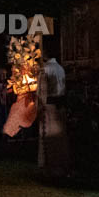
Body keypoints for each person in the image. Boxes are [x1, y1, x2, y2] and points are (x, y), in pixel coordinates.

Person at [38, 47, 71, 177]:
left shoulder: (45, 69)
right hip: (60, 103)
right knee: (61, 134)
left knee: (49, 134)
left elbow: (42, 90)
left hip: (49, 104)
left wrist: (40, 105)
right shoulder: (60, 68)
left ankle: (51, 163)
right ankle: (62, 162)